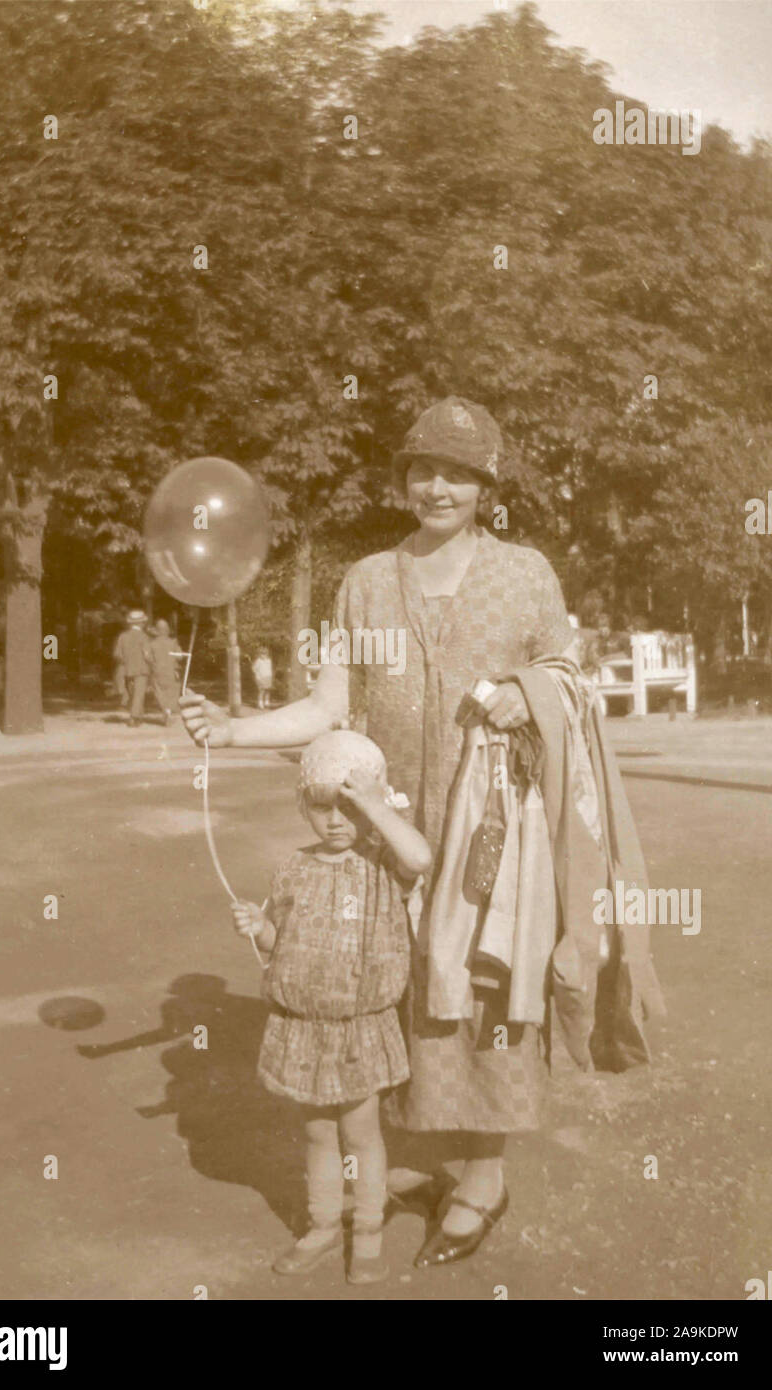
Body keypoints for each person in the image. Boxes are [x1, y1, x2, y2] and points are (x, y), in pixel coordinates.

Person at [181, 396, 664, 1270]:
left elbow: (571, 679)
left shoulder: (526, 575)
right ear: (404, 478)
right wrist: (232, 727)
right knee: (401, 992)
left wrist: (532, 692)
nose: (437, 486)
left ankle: (484, 1176)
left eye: (459, 472)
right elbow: (331, 705)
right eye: (422, 469)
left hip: (495, 836)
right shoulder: (365, 580)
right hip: (388, 825)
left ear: (486, 484)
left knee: (486, 993)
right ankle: (433, 1155)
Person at [231, 730, 431, 1284]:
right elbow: (283, 944)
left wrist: (372, 800)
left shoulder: (387, 865)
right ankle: (322, 1225)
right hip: (304, 1028)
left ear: (372, 805)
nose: (337, 821)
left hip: (359, 1029)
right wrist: (261, 929)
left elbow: (421, 854)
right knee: (318, 1133)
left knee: (361, 1133)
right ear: (303, 807)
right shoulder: (292, 868)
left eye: (349, 808)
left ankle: (367, 1228)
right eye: (324, 808)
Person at [113, 610, 152, 727]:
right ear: (142, 623)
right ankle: (134, 717)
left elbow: (117, 654)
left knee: (132, 693)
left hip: (127, 670)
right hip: (141, 669)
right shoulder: (144, 637)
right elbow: (147, 655)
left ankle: (138, 716)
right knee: (139, 694)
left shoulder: (122, 636)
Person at [149, 619, 182, 726]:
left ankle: (165, 710)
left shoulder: (152, 644)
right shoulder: (173, 642)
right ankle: (168, 710)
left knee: (159, 692)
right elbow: (180, 656)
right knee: (172, 692)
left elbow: (148, 658)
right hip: (171, 670)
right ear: (167, 630)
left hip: (157, 671)